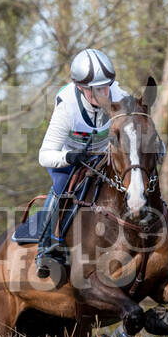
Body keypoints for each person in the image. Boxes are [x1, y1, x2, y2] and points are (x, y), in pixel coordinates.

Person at [36, 48, 128, 278]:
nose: (103, 93)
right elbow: (44, 155)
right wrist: (69, 158)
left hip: (105, 155)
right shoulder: (67, 108)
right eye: (95, 90)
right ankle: (46, 246)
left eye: (106, 86)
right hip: (69, 158)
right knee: (60, 188)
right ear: (80, 87)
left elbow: (140, 125)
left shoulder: (120, 95)